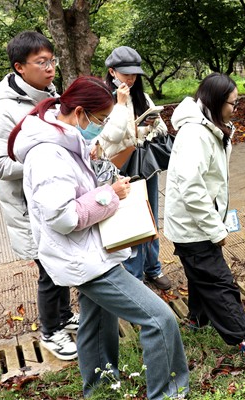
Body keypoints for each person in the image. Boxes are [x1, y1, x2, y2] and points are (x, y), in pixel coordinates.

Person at [7, 76, 189, 399]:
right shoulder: (48, 155)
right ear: (79, 113)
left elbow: (79, 189)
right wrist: (110, 195)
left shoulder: (65, 137)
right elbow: (64, 216)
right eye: (100, 120)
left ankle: (100, 388)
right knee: (159, 320)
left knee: (97, 321)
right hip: (82, 257)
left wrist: (106, 179)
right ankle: (169, 393)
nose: (100, 126)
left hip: (89, 248)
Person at [164, 73, 245, 368]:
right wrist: (216, 229)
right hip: (194, 226)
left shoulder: (210, 126)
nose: (235, 109)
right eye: (233, 104)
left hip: (200, 221)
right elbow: (192, 188)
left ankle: (198, 319)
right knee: (219, 281)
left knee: (200, 273)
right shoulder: (194, 134)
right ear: (215, 101)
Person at [0, 31, 78, 361]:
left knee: (60, 262)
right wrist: (47, 157)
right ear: (20, 67)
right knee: (49, 271)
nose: (51, 68)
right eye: (42, 62)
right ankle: (51, 331)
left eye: (52, 61)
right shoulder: (1, 114)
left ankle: (63, 318)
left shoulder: (52, 98)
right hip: (29, 209)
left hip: (56, 198)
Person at [96, 46, 172, 290]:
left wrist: (148, 125)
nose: (130, 78)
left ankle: (154, 268)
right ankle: (134, 275)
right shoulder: (103, 98)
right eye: (125, 73)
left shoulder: (142, 96)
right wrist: (124, 114)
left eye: (134, 73)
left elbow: (162, 129)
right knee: (131, 221)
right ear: (112, 71)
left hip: (144, 164)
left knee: (150, 217)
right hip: (118, 167)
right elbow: (105, 138)